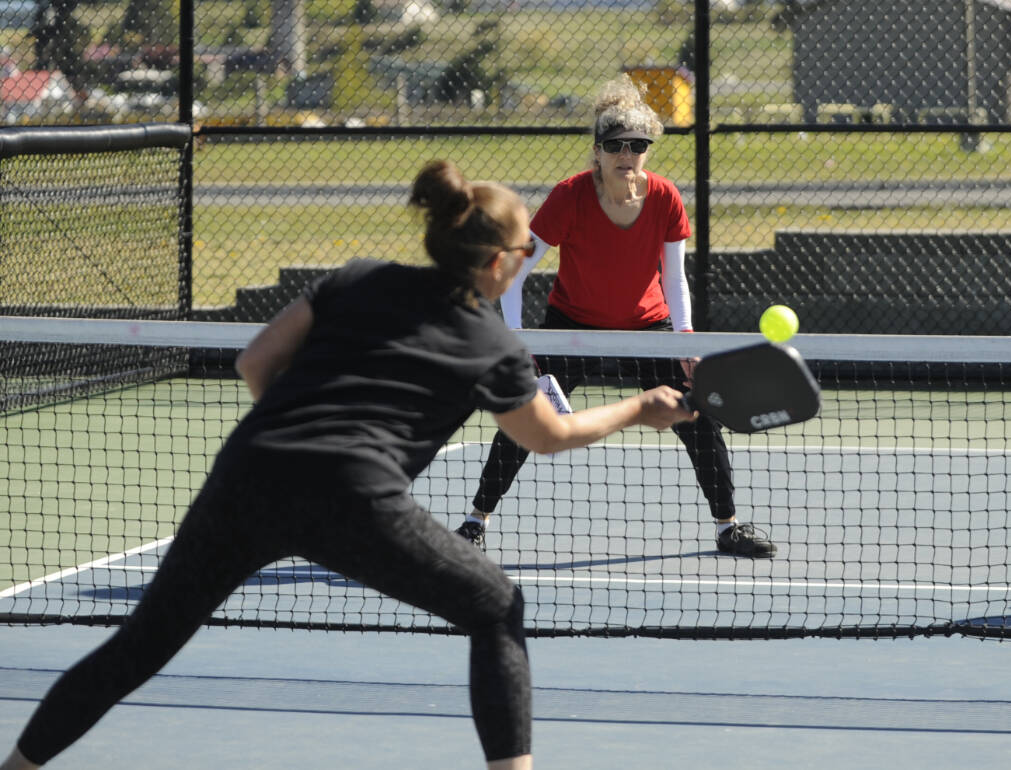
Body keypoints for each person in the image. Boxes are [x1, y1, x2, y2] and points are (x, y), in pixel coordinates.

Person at [0, 160, 693, 770]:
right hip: (353, 497)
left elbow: (255, 361)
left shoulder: (357, 277)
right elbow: (547, 436)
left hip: (246, 474)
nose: (524, 260)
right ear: (499, 264)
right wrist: (641, 408)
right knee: (496, 605)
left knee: (139, 646)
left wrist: (291, 449)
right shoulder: (491, 342)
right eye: (522, 251)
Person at [454, 74, 776, 558]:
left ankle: (728, 526)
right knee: (526, 416)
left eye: (637, 145)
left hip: (649, 327)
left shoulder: (665, 197)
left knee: (697, 418)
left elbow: (674, 277)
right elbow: (514, 271)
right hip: (574, 325)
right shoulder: (570, 196)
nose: (627, 155)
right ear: (598, 150)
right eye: (616, 146)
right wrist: (521, 341)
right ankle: (475, 522)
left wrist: (684, 342)